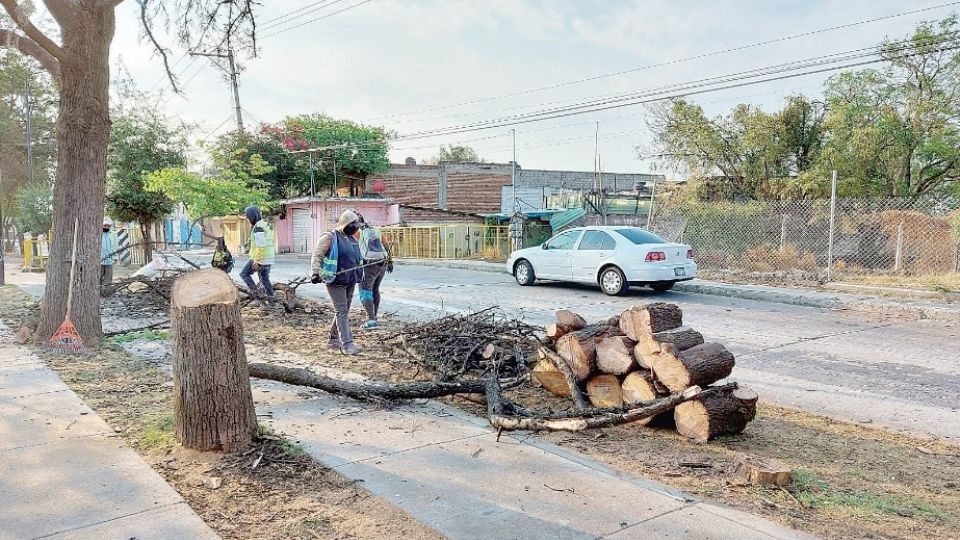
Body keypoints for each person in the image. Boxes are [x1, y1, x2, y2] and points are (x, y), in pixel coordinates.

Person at [310, 210, 364, 355]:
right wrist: (315, 272)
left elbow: (356, 258)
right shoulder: (330, 237)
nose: (355, 226)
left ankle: (333, 339)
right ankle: (347, 344)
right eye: (352, 223)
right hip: (334, 280)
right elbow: (317, 254)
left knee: (342, 310)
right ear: (345, 223)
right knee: (342, 311)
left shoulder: (352, 239)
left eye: (356, 223)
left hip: (350, 279)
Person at [357, 214, 393, 329]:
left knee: (365, 290)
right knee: (375, 289)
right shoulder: (376, 230)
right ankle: (374, 315)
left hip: (368, 264)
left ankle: (371, 320)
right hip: (382, 262)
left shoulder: (356, 232)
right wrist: (390, 261)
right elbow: (386, 245)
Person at [240, 205, 276, 303]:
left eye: (248, 217)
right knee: (265, 279)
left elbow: (261, 246)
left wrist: (257, 260)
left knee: (244, 274)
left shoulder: (258, 228)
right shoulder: (263, 224)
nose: (247, 219)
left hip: (261, 258)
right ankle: (271, 301)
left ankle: (257, 295)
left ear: (252, 216)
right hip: (268, 257)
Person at [100, 218, 118, 293]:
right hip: (99, 259)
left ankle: (106, 291)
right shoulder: (98, 233)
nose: (106, 227)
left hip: (109, 259)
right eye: (105, 225)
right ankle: (98, 290)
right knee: (99, 276)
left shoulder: (113, 235)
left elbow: (115, 246)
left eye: (108, 226)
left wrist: (115, 257)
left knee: (108, 276)